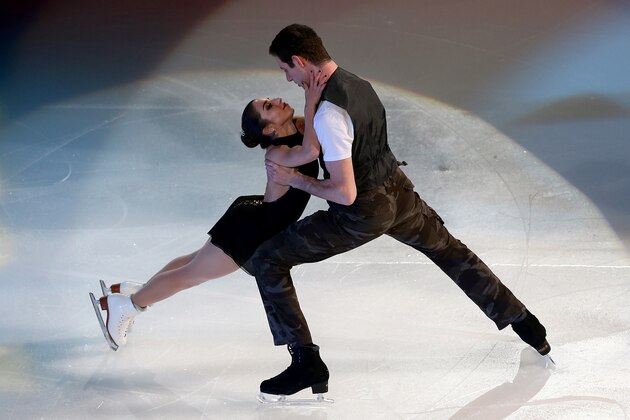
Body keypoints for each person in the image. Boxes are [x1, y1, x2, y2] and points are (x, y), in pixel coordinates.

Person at [250, 23, 551, 398]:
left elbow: (344, 193)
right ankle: (527, 325)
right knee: (449, 251)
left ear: (298, 61)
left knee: (267, 260)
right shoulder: (358, 85)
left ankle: (306, 363)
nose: (287, 79)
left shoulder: (329, 113)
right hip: (398, 191)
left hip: (362, 211)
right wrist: (310, 108)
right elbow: (326, 147)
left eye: (286, 70)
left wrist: (298, 181)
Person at [91, 81, 324, 351]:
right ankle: (130, 305)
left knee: (193, 264)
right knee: (192, 274)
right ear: (269, 129)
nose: (278, 99)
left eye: (269, 101)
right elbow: (312, 151)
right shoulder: (277, 153)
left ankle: (141, 291)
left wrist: (313, 103)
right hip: (253, 229)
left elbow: (314, 127)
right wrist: (310, 99)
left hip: (254, 219)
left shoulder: (294, 127)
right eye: (269, 106)